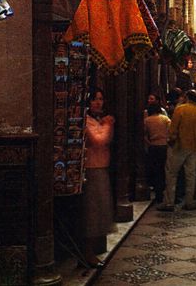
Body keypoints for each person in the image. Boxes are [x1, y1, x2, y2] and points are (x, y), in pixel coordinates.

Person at [82, 88, 115, 268]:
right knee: (93, 213)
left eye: (101, 99)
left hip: (101, 166)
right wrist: (107, 124)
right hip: (92, 168)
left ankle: (92, 251)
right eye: (95, 99)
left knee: (100, 210)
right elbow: (98, 140)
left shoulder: (98, 120)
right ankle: (88, 253)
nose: (98, 102)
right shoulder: (87, 121)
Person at [158, 89, 196, 211]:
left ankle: (169, 202)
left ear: (186, 97)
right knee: (190, 175)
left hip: (179, 146)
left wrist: (170, 140)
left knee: (171, 174)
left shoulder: (180, 109)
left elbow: (173, 129)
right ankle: (189, 202)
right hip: (194, 147)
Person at [144, 102, 171, 203]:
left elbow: (144, 135)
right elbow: (170, 131)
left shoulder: (147, 120)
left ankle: (158, 194)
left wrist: (149, 143)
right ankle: (165, 192)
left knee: (156, 170)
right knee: (164, 170)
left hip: (153, 147)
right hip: (164, 146)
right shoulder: (165, 119)